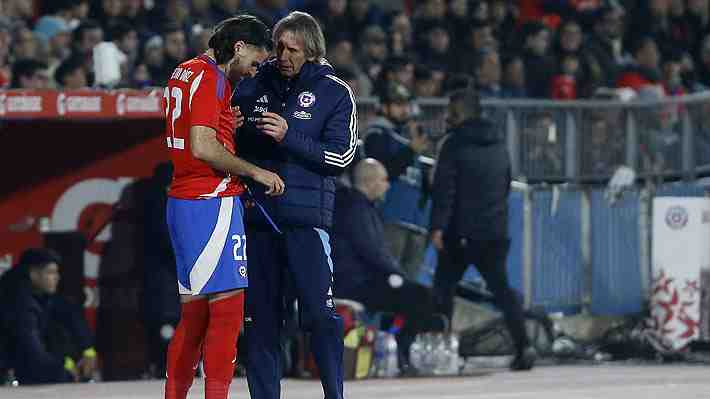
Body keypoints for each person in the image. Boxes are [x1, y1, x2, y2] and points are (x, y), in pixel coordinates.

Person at [233, 11, 356, 399]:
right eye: (279, 47)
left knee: (320, 318)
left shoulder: (335, 91)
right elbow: (229, 149)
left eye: (292, 49)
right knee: (260, 324)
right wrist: (231, 129)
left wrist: (290, 137)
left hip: (306, 223)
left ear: (312, 51)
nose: (283, 55)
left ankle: (334, 394)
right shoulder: (252, 83)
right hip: (258, 220)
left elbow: (342, 157)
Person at [161, 15, 284, 399]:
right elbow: (202, 146)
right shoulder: (213, 78)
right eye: (252, 63)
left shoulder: (184, 71)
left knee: (195, 317)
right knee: (228, 314)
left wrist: (226, 121)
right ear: (239, 47)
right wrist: (256, 172)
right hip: (211, 201)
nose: (251, 74)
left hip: (184, 200)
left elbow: (191, 132)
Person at [429, 89, 536, 371]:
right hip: (494, 231)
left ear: (460, 113)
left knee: (443, 290)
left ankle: (442, 351)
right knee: (502, 290)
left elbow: (444, 189)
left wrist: (438, 227)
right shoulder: (498, 141)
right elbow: (505, 183)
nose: (447, 116)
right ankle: (525, 346)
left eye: (450, 111)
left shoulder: (452, 144)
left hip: (460, 234)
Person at [333, 158, 439, 373]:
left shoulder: (362, 206)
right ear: (370, 181)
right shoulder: (356, 208)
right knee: (420, 297)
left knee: (414, 296)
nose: (388, 185)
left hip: (365, 280)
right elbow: (373, 253)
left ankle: (395, 342)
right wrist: (399, 276)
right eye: (384, 179)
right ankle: (402, 352)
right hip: (355, 284)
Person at [363, 82, 431, 280]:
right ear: (384, 107)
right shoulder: (377, 134)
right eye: (398, 104)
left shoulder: (408, 136)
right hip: (390, 218)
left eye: (405, 105)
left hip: (415, 222)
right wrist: (411, 150)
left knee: (408, 286)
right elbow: (381, 173)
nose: (404, 110)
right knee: (386, 281)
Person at [0, 248, 97, 385]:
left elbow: (71, 315)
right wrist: (64, 366)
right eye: (51, 272)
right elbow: (32, 352)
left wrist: (88, 350)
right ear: (33, 274)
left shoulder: (40, 294)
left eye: (57, 272)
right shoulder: (19, 303)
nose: (57, 277)